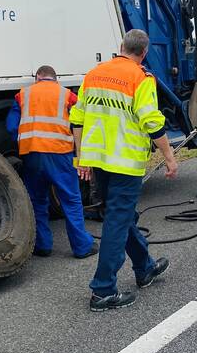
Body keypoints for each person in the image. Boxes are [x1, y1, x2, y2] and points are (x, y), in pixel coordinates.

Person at [71, 29, 177, 312]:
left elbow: (77, 118)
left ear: (121, 47)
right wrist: (169, 156)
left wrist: (81, 158)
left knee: (121, 216)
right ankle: (103, 290)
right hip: (125, 162)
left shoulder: (94, 74)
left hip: (99, 160)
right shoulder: (140, 78)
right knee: (117, 221)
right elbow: (151, 121)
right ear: (143, 53)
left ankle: (144, 268)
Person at [6, 65, 96, 259]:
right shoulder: (68, 95)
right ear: (56, 79)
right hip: (60, 154)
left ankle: (43, 245)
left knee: (37, 200)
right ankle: (81, 247)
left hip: (32, 154)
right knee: (71, 200)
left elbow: (12, 126)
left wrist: (24, 144)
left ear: (37, 77)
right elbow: (80, 123)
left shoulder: (23, 94)